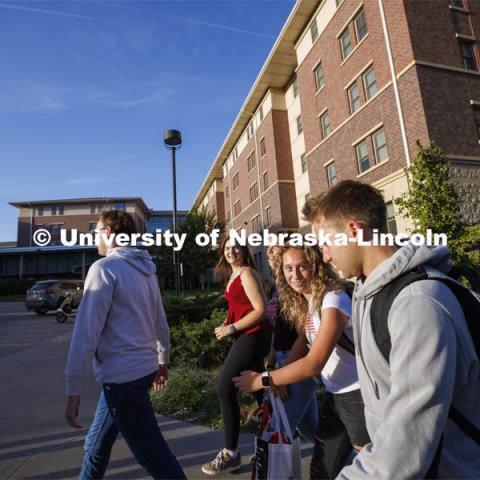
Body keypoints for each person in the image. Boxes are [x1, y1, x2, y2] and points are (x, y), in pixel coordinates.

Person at [305, 180, 480, 479]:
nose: (325, 256)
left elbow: (406, 441)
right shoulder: (363, 291)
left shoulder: (417, 303)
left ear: (354, 230)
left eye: (326, 243)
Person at [64, 210, 185, 480]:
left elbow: (85, 333)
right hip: (136, 374)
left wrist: (73, 388)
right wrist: (162, 360)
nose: (93, 237)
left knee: (154, 456)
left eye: (95, 231)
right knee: (95, 446)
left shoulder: (103, 269)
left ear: (108, 232)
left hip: (123, 380)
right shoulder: (145, 270)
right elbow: (159, 320)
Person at [234, 241, 370, 479]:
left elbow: (315, 362)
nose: (294, 275)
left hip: (359, 396)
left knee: (371, 469)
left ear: (316, 266)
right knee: (322, 470)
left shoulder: (333, 298)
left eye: (303, 267)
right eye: (288, 268)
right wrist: (280, 377)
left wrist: (262, 380)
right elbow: (303, 341)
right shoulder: (310, 299)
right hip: (336, 396)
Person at [201, 237, 272, 475]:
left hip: (254, 336)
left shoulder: (247, 273)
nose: (232, 250)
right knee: (259, 391)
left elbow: (260, 310)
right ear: (223, 252)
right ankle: (275, 441)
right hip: (247, 335)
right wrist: (227, 321)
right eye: (227, 247)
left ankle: (231, 453)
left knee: (225, 389)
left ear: (244, 250)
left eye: (236, 246)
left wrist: (231, 329)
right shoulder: (233, 276)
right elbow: (239, 305)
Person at [264, 244, 319, 443]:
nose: (270, 251)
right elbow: (275, 331)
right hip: (282, 360)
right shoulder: (278, 287)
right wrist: (271, 364)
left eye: (275, 246)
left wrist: (282, 377)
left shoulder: (298, 290)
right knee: (311, 430)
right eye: (267, 247)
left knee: (280, 432)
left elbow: (304, 338)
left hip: (297, 363)